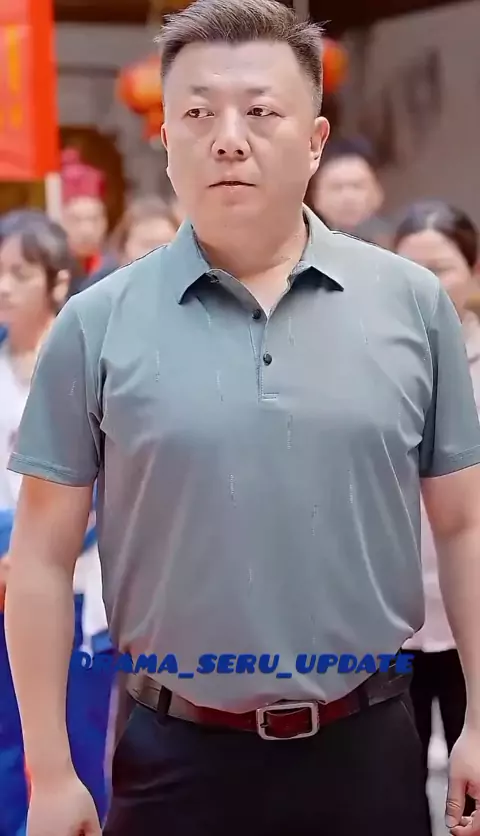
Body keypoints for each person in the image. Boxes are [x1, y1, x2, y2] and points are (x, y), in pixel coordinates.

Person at [4, 2, 480, 835]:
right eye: (197, 114)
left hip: (366, 745)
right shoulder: (95, 323)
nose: (229, 138)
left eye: (261, 111)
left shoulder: (410, 304)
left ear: (316, 140)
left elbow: (465, 524)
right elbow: (41, 557)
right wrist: (50, 773)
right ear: (165, 140)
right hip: (172, 752)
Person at [0, 215, 114, 828]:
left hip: (76, 576)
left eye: (19, 273)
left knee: (80, 735)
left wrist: (31, 546)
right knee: (7, 736)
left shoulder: (84, 360)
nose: (4, 287)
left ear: (57, 282)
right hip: (3, 577)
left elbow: (100, 482)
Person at [394, 201, 480, 831]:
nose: (426, 285)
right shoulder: (369, 367)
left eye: (442, 268)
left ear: (473, 273)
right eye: (410, 269)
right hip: (390, 622)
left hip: (471, 615)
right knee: (392, 790)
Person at [76, 194, 179, 294]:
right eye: (147, 244)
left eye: (166, 243)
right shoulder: (99, 289)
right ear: (124, 248)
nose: (158, 251)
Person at [305, 135, 388, 234]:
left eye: (357, 186)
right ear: (316, 197)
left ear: (377, 193)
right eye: (337, 188)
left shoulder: (397, 239)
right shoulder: (301, 241)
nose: (348, 197)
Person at [60, 149, 114, 284]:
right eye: (75, 220)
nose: (87, 230)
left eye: (94, 219)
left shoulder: (117, 270)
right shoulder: (53, 274)